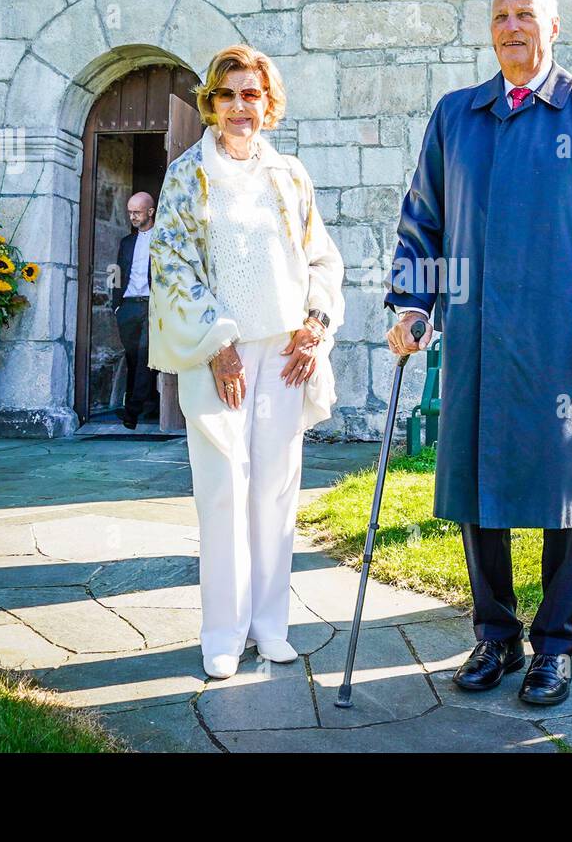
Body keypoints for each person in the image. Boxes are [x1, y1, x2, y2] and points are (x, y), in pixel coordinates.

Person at [386, 0, 572, 707]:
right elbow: (425, 219)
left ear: (554, 28)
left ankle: (555, 646)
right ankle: (495, 634)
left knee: (568, 489)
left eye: (524, 15)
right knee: (478, 483)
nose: (511, 27)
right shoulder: (456, 115)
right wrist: (412, 301)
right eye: (500, 16)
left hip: (567, 338)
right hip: (475, 334)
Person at [148, 44, 345, 679]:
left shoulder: (289, 175)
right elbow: (172, 267)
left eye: (252, 94)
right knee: (223, 488)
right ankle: (223, 635)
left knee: (276, 489)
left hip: (285, 352)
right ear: (211, 101)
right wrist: (221, 343)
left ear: (268, 103)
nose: (240, 106)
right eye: (229, 94)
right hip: (217, 353)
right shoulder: (185, 175)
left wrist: (315, 325)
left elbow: (322, 260)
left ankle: (271, 626)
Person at [111, 192, 159, 429]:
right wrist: (116, 305)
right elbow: (117, 274)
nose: (132, 216)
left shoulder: (162, 239)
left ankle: (132, 411)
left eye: (137, 212)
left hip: (151, 305)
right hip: (128, 307)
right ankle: (149, 404)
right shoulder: (126, 243)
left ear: (150, 211)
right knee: (133, 359)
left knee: (145, 358)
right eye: (130, 212)